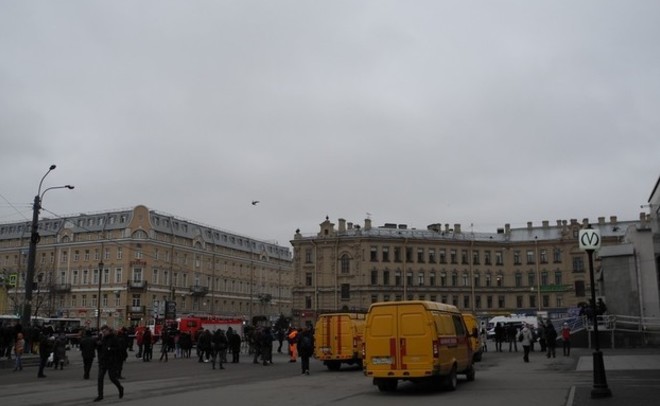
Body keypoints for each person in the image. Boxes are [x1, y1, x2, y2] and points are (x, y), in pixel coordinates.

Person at [94, 325, 124, 402]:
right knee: (100, 378)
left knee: (112, 378)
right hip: (103, 361)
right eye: (102, 332)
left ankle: (120, 388)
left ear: (108, 330)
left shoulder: (114, 338)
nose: (103, 333)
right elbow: (100, 348)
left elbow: (119, 348)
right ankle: (100, 395)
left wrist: (110, 349)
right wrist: (98, 345)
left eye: (104, 331)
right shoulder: (103, 338)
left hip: (111, 361)